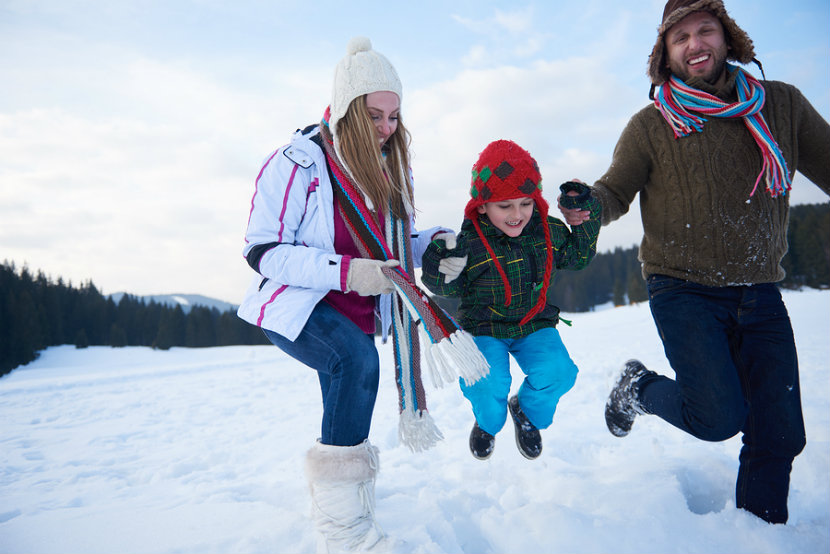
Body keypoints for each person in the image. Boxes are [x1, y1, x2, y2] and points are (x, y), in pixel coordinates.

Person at [560, 0, 829, 524]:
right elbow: (614, 191)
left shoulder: (782, 107)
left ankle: (760, 531)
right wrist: (586, 206)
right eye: (679, 38)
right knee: (716, 416)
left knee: (780, 432)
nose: (694, 45)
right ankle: (638, 388)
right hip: (682, 288)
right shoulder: (650, 125)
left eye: (705, 31)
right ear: (665, 53)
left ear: (728, 37)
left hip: (759, 289)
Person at [237, 37, 487, 552]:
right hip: (298, 304)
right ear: (348, 109)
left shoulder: (391, 166)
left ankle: (345, 497)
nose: (386, 128)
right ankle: (344, 530)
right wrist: (348, 273)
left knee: (349, 386)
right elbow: (263, 251)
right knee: (355, 364)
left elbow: (391, 247)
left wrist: (435, 243)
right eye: (375, 116)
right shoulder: (298, 162)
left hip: (358, 306)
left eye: (395, 116)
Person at [421, 140, 601, 460]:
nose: (517, 215)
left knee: (559, 372)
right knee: (486, 382)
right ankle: (488, 423)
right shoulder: (469, 244)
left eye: (526, 203)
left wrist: (585, 219)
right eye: (505, 206)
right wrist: (440, 268)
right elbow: (447, 289)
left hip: (533, 323)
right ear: (481, 206)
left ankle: (527, 412)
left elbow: (577, 258)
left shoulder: (548, 231)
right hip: (484, 326)